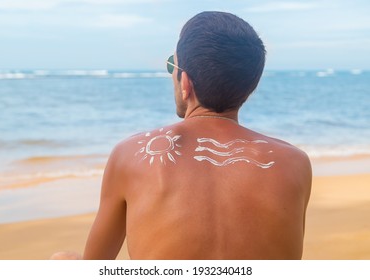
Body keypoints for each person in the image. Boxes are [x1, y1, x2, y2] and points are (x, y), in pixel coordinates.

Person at [52, 11, 311, 260]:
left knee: (62, 260)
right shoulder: (294, 162)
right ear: (249, 87)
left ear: (185, 82)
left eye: (171, 66)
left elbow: (96, 266)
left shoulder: (128, 155)